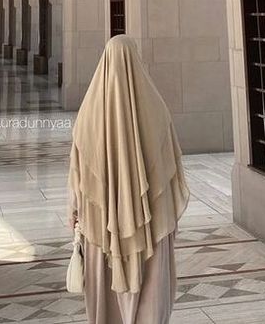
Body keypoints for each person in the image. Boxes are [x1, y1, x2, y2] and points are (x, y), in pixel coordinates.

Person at [68, 34, 189, 323]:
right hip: (151, 224)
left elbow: (77, 178)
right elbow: (171, 171)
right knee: (151, 290)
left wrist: (75, 212)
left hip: (101, 225)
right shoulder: (158, 112)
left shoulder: (87, 118)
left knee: (104, 295)